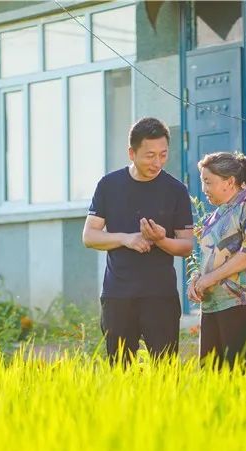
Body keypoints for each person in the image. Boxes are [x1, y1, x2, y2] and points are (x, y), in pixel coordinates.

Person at [82, 117, 195, 364]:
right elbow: (89, 236)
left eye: (163, 155)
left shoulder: (176, 190)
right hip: (118, 294)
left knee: (165, 372)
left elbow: (187, 246)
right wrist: (126, 239)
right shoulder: (109, 185)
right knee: (120, 371)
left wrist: (161, 240)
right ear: (131, 153)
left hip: (161, 295)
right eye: (149, 155)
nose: (157, 163)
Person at [187, 152, 246, 370]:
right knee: (213, 383)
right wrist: (197, 279)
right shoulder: (214, 216)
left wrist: (209, 279)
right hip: (213, 306)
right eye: (202, 182)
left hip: (243, 305)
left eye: (208, 182)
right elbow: (211, 258)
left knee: (245, 381)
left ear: (229, 181)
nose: (204, 189)